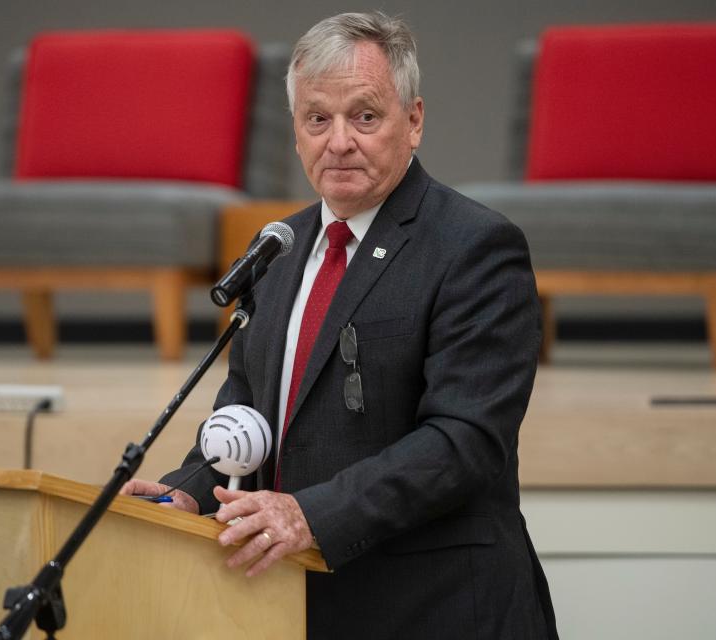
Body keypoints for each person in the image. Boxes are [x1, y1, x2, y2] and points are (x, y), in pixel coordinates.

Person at [123, 11, 558, 639]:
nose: (339, 141)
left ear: (413, 122)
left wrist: (310, 514)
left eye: (365, 116)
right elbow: (248, 405)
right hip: (297, 606)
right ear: (296, 133)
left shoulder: (475, 246)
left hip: (438, 608)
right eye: (317, 119)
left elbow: (464, 443)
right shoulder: (280, 247)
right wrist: (187, 490)